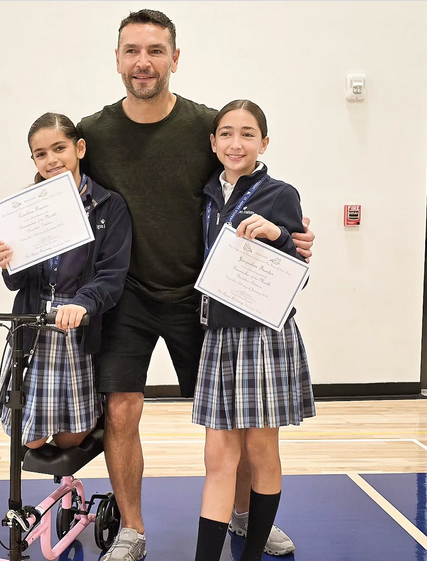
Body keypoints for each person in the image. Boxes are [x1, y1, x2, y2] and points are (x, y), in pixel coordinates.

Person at [77, 10, 315, 560]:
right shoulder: (93, 133)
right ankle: (133, 531)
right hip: (128, 294)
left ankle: (243, 517)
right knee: (121, 409)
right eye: (132, 50)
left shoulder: (207, 127)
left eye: (156, 51)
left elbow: (255, 181)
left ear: (175, 59)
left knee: (236, 420)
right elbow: (55, 182)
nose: (143, 62)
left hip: (203, 298)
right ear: (116, 59)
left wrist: (292, 237)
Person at [192, 99, 315, 561]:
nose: (235, 142)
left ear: (264, 142)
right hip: (219, 336)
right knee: (218, 457)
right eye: (226, 133)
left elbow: (299, 274)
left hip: (264, 336)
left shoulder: (280, 194)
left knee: (261, 449)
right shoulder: (206, 194)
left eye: (247, 134)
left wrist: (281, 237)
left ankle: (251, 555)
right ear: (213, 142)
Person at [0, 112, 132, 449]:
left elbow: (112, 275)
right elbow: (17, 283)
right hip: (34, 326)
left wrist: (82, 303)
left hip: (77, 328)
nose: (51, 160)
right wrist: (8, 262)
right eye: (41, 154)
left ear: (79, 148)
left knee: (72, 439)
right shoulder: (24, 209)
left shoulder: (108, 207)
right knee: (31, 441)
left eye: (59, 148)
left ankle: (72, 477)